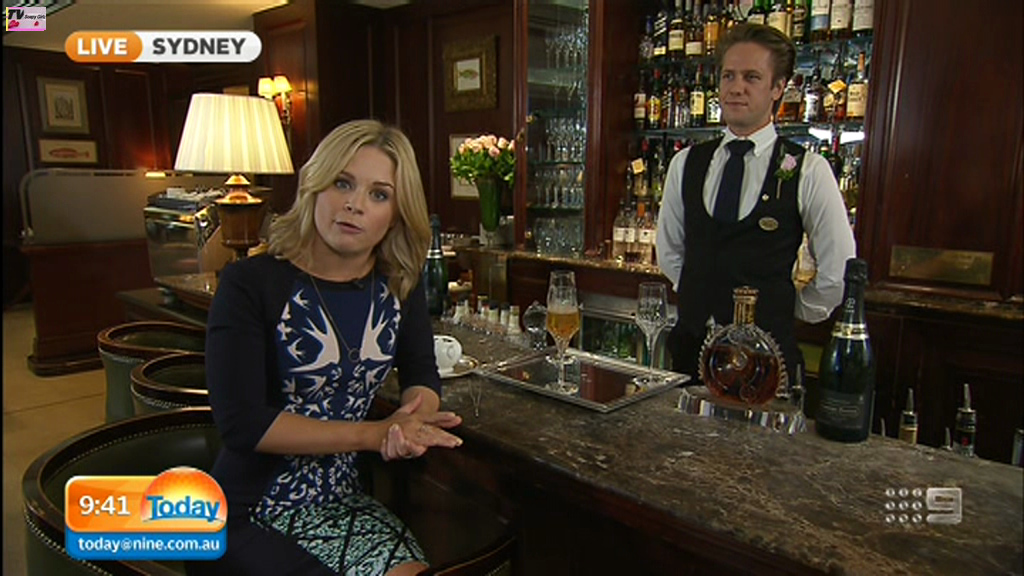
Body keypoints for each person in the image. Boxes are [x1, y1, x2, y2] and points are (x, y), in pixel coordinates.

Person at [191, 119, 463, 576]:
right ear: (314, 186)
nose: (355, 205)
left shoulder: (399, 282)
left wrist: (410, 422)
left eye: (379, 194)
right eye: (343, 183)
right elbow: (242, 424)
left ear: (397, 213)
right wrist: (373, 435)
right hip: (245, 510)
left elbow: (421, 372)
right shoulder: (250, 284)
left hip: (342, 501)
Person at [655, 24, 856, 381]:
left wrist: (784, 309)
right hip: (691, 358)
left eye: (751, 77)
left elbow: (837, 272)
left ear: (778, 87)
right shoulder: (686, 163)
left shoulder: (807, 169)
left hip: (765, 367)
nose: (736, 88)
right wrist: (701, 297)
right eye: (728, 76)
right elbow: (670, 253)